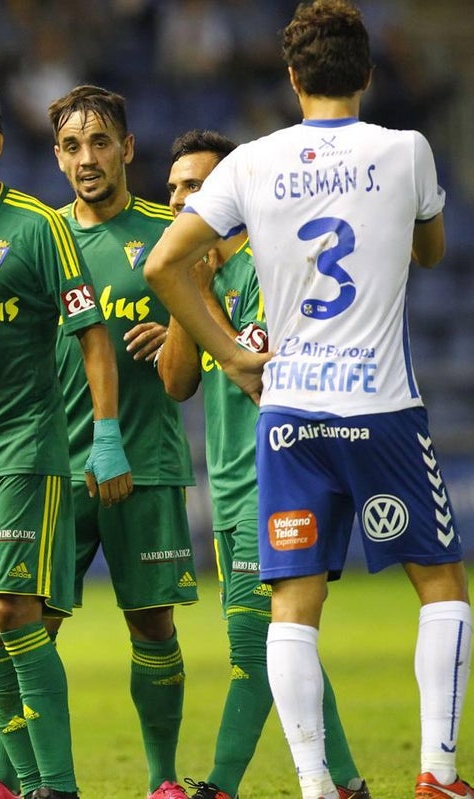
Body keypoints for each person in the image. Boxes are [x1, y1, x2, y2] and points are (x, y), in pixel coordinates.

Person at [144, 3, 471, 798]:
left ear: (291, 79)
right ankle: (440, 772)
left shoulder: (251, 163)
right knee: (440, 584)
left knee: (293, 601)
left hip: (289, 415)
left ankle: (315, 783)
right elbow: (432, 251)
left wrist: (231, 355)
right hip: (382, 406)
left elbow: (162, 266)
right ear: (366, 73)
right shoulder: (407, 150)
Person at [0, 80, 132, 799]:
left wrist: (105, 435)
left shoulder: (40, 228)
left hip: (27, 451)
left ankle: (59, 786)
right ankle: (18, 785)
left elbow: (93, 337)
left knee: (17, 611)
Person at [157, 129, 370, 799]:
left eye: (194, 185)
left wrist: (200, 290)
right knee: (287, 643)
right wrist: (182, 296)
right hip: (227, 484)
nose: (179, 199)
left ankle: (218, 786)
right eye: (172, 190)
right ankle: (347, 782)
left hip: (281, 479)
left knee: (256, 647)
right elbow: (176, 383)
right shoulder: (200, 277)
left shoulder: (280, 266)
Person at [47, 84, 197, 799]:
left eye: (100, 142)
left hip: (147, 461)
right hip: (51, 466)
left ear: (128, 149)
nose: (87, 158)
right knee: (23, 622)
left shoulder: (169, 234)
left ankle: (163, 779)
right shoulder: (40, 236)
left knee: (152, 625)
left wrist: (178, 336)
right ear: (56, 155)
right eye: (73, 145)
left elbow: (194, 367)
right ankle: (24, 777)